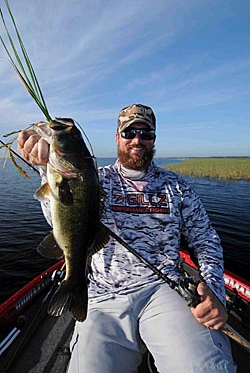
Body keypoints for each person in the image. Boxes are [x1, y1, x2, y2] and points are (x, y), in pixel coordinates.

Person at [18, 103, 236, 373]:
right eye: (130, 132)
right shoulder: (93, 179)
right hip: (103, 296)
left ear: (154, 138)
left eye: (146, 134)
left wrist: (214, 291)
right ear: (117, 136)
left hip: (165, 292)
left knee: (206, 368)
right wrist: (44, 168)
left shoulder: (177, 187)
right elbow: (61, 223)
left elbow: (206, 239)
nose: (138, 140)